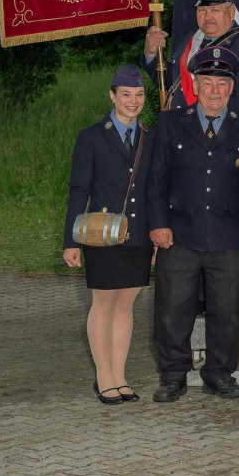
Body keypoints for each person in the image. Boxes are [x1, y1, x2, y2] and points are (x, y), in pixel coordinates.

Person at [146, 44, 239, 402]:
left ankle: (219, 373)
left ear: (232, 87)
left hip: (228, 236)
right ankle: (173, 374)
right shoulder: (170, 122)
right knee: (172, 310)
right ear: (195, 83)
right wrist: (158, 223)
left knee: (226, 312)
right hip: (179, 234)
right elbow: (156, 179)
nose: (215, 91)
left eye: (222, 84)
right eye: (208, 82)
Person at [63, 65, 154, 405]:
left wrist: (157, 234)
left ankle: (120, 376)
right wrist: (70, 241)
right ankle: (104, 378)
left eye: (140, 95)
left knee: (126, 304)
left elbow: (154, 190)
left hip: (138, 233)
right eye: (126, 95)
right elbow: (78, 191)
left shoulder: (150, 136)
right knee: (103, 304)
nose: (133, 101)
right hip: (100, 235)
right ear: (112, 96)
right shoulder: (91, 137)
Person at [144, 0, 239, 114]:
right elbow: (172, 82)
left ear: (231, 12)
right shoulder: (190, 39)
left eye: (215, 10)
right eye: (202, 10)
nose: (207, 17)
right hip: (179, 128)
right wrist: (151, 54)